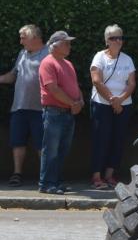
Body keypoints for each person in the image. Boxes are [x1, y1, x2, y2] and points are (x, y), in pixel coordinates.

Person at [0, 25, 48, 186]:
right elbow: (12, 76)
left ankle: (45, 176)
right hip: (19, 107)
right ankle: (17, 173)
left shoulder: (48, 54)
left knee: (41, 144)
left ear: (35, 38)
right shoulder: (22, 54)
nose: (20, 42)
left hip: (40, 108)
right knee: (17, 141)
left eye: (23, 37)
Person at [89, 25, 136, 190]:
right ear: (107, 41)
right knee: (101, 140)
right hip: (102, 104)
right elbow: (96, 80)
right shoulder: (99, 57)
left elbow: (131, 83)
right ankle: (96, 176)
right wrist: (112, 99)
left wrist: (120, 99)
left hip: (123, 105)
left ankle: (109, 175)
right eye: (114, 38)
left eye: (120, 38)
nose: (118, 41)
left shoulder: (127, 59)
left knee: (118, 140)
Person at [38, 31, 82, 195]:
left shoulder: (67, 64)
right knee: (51, 149)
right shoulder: (47, 63)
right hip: (54, 113)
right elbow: (53, 89)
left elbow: (75, 86)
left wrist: (80, 101)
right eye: (66, 43)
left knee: (62, 149)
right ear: (55, 45)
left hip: (68, 112)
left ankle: (56, 182)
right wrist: (73, 103)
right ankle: (46, 183)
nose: (69, 46)